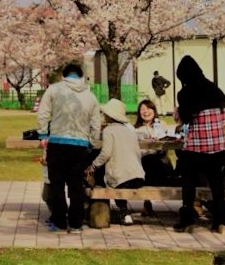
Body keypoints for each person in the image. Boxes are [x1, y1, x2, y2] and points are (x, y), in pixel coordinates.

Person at [37, 63, 101, 234]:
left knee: (56, 185)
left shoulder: (54, 89)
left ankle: (59, 222)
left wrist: (43, 135)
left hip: (57, 142)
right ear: (81, 76)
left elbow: (43, 113)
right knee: (76, 185)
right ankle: (76, 223)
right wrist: (92, 142)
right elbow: (96, 124)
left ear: (63, 75)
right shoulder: (90, 95)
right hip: (80, 145)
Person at [174, 55, 225, 233]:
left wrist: (179, 113)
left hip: (198, 146)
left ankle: (188, 218)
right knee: (216, 181)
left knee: (188, 179)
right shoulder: (213, 88)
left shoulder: (185, 93)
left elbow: (186, 118)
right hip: (218, 145)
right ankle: (219, 219)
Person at [87, 99, 145, 226]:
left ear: (109, 116)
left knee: (108, 180)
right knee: (120, 179)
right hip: (138, 176)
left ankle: (124, 213)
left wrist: (93, 165)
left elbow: (106, 153)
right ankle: (124, 213)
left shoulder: (109, 131)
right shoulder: (130, 132)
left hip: (121, 179)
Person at [132, 99, 175, 216]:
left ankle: (148, 202)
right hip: (142, 161)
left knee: (153, 162)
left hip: (158, 160)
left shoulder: (161, 125)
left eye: (148, 108)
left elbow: (169, 141)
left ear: (154, 111)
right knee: (146, 161)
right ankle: (147, 202)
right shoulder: (135, 129)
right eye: (142, 109)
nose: (145, 112)